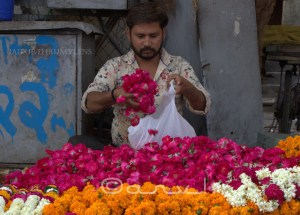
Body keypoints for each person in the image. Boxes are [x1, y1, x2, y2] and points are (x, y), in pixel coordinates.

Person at [81, 2, 211, 147]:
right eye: (140, 36)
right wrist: (114, 95)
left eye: (153, 35)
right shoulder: (115, 67)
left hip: (169, 155)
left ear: (163, 33)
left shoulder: (179, 66)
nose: (147, 42)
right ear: (128, 34)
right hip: (124, 155)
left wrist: (187, 88)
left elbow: (202, 106)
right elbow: (88, 104)